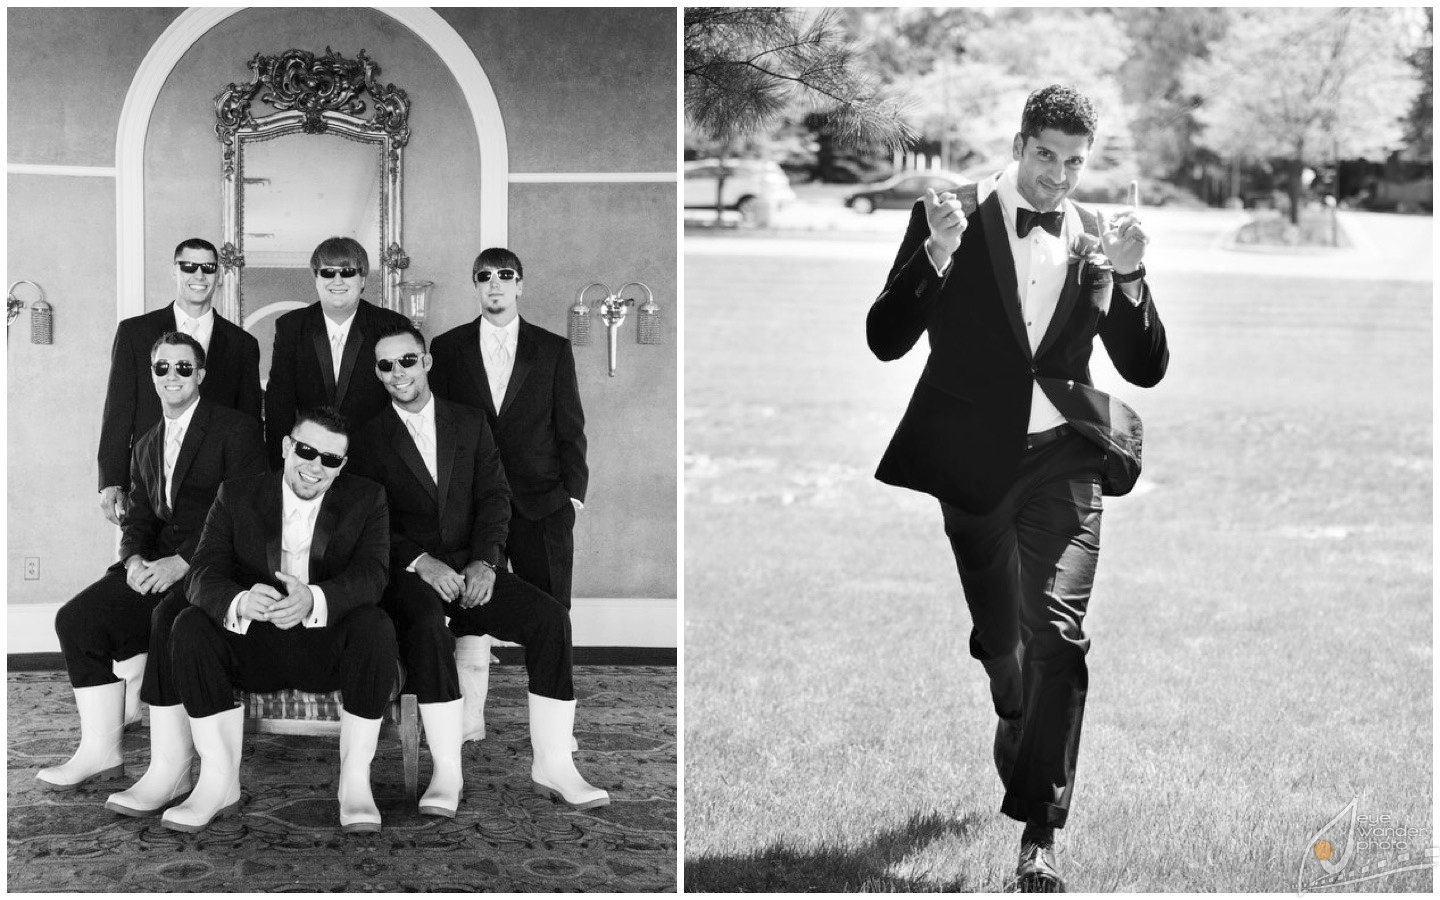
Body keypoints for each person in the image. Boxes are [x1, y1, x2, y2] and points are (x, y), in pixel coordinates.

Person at [866, 85, 1169, 892]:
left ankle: (1040, 836)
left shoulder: (1098, 234)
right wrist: (934, 256)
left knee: (1058, 636)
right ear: (1017, 144)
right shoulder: (950, 214)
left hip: (1066, 459)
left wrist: (1132, 278)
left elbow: (1144, 367)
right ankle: (1010, 703)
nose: (1058, 177)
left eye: (1074, 163)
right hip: (971, 461)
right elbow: (886, 340)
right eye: (1045, 157)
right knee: (1004, 641)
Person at [350, 324, 608, 813]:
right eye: (386, 365)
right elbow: (369, 521)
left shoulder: (469, 422)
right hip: (410, 578)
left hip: (472, 568)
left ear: (426, 362)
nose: (398, 372)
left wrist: (486, 561)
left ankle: (554, 763)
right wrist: (421, 563)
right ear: (377, 374)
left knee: (551, 619)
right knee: (427, 627)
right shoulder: (365, 438)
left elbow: (494, 497)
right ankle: (447, 772)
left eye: (407, 360)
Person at [39, 332, 265, 798]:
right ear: (152, 375)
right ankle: (101, 751)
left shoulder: (236, 429)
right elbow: (139, 519)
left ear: (200, 374)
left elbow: (245, 514)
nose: (172, 376)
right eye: (162, 367)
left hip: (216, 568)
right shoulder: (145, 443)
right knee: (76, 619)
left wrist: (182, 563)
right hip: (158, 563)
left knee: (166, 621)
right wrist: (134, 559)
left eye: (184, 367)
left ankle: (171, 769)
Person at [163, 407, 400, 833]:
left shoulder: (369, 498)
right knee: (189, 624)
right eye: (307, 451)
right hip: (253, 646)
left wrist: (314, 598)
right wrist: (240, 601)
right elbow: (201, 573)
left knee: (375, 625)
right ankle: (218, 782)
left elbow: (373, 575)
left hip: (325, 649)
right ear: (288, 447)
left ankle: (355, 783)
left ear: (342, 465)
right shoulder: (235, 494)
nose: (316, 467)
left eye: (330, 459)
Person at [430, 248, 588, 611]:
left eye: (504, 275)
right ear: (475, 286)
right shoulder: (447, 348)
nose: (494, 283)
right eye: (484, 276)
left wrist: (572, 496)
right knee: (473, 611)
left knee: (550, 612)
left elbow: (570, 426)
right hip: (472, 505)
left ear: (519, 285)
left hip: (543, 503)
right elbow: (441, 428)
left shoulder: (553, 349)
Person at [97, 238, 261, 525]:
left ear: (218, 275)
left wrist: (251, 489)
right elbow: (118, 409)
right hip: (150, 481)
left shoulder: (242, 344)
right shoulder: (134, 332)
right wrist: (112, 479)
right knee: (140, 552)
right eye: (188, 266)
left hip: (216, 488)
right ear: (175, 270)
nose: (199, 275)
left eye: (208, 267)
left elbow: (248, 421)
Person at [263, 236, 411, 468]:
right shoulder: (291, 327)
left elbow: (405, 398)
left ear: (363, 279)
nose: (338, 280)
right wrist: (280, 467)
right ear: (316, 279)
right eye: (328, 272)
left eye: (348, 272)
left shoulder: (391, 325)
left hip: (379, 461)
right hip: (310, 462)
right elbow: (279, 403)